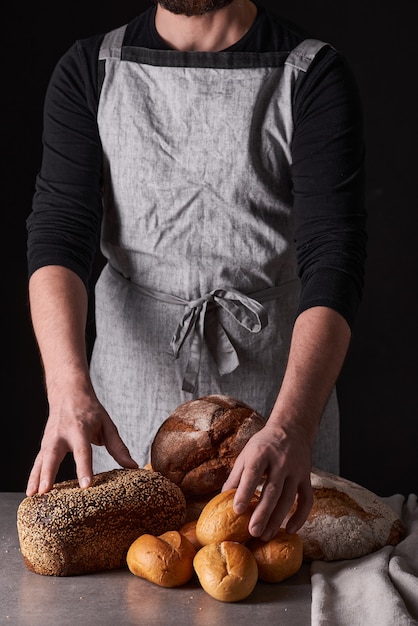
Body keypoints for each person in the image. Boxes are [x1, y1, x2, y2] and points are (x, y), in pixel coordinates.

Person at [25, 0, 367, 542]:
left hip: (278, 403)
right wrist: (67, 388)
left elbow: (334, 255)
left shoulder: (309, 72)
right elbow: (59, 235)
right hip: (130, 399)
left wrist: (293, 427)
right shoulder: (92, 67)